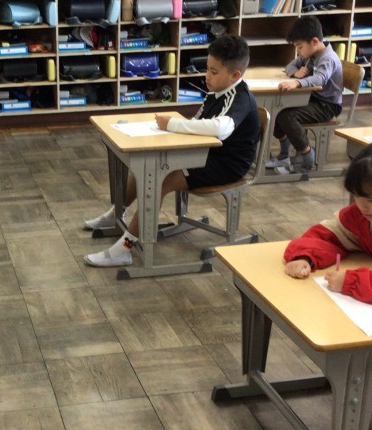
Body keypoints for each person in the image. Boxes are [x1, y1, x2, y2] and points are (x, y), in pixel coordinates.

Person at [84, 34, 260, 267]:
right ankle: (116, 214)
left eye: (214, 72)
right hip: (205, 154)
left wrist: (172, 125)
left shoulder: (239, 97)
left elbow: (221, 129)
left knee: (159, 180)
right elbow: (198, 122)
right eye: (207, 69)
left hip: (227, 165)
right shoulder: (216, 92)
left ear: (235, 75)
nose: (207, 76)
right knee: (145, 168)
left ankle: (124, 248)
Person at [283, 150, 372, 303]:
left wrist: (350, 282)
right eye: (358, 195)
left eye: (371, 199)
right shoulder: (357, 216)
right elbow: (326, 236)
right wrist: (305, 257)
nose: (365, 207)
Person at [265, 16, 343, 174]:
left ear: (314, 41)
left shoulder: (328, 58)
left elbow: (320, 78)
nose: (299, 52)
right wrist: (296, 72)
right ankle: (284, 155)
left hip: (327, 105)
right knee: (276, 110)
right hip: (313, 98)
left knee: (287, 116)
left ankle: (307, 155)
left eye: (300, 47)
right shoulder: (311, 54)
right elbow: (290, 65)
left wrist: (297, 82)